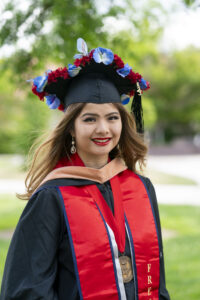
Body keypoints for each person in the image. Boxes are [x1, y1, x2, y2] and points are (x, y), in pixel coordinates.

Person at [0, 38, 170, 300]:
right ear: (71, 127)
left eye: (112, 118)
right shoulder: (51, 197)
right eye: (89, 119)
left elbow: (156, 282)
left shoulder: (141, 188)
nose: (103, 129)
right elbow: (28, 290)